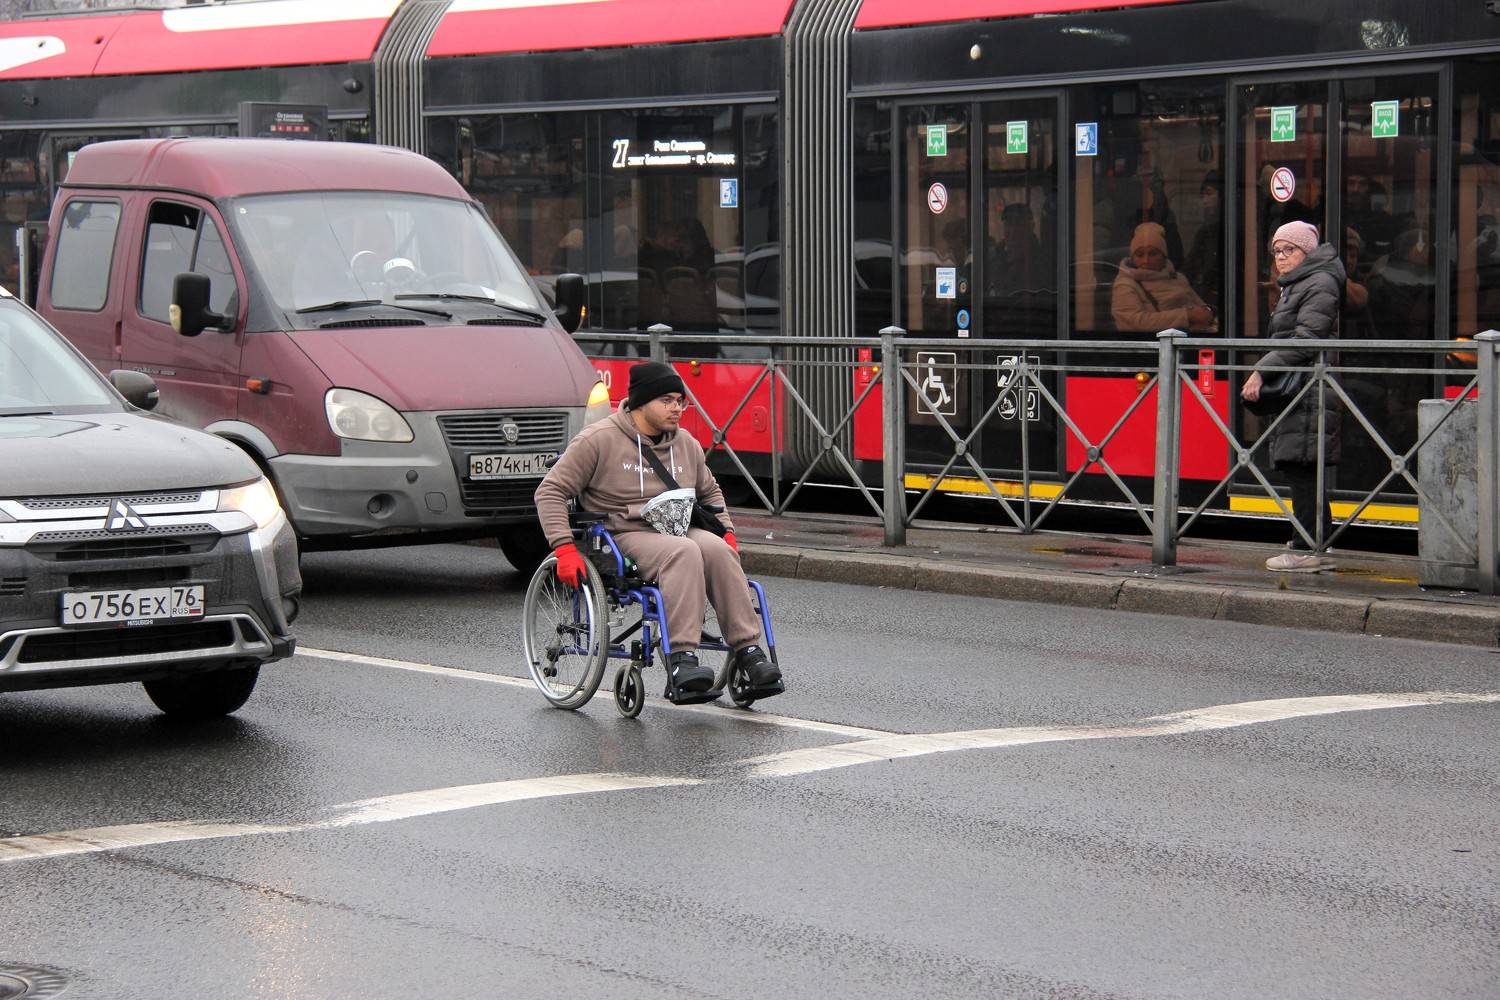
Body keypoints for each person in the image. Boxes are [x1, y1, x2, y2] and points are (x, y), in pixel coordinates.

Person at [533, 361, 784, 699]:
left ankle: (748, 652)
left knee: (718, 551)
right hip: (622, 534)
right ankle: (682, 659)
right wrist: (563, 548)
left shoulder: (686, 443)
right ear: (640, 403)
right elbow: (550, 491)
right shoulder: (598, 440)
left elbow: (710, 492)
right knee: (684, 552)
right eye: (666, 400)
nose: (676, 408)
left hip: (677, 527)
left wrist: (726, 532)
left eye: (680, 401)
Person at [1241, 221, 1344, 572]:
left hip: (1309, 388)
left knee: (1302, 466)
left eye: (1290, 250)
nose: (1281, 257)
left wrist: (1261, 370)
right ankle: (1316, 543)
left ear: (1308, 252)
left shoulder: (1319, 282)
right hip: (1303, 387)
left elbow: (1306, 338)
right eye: (1276, 251)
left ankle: (1307, 548)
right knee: (1302, 465)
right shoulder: (1300, 283)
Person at [1110, 222, 1215, 333]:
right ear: (1133, 258)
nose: (1146, 260)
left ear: (1163, 255)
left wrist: (1206, 315)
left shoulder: (1177, 278)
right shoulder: (1126, 284)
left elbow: (1202, 308)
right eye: (1140, 255)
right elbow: (1134, 322)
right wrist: (1187, 315)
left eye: (1153, 254)